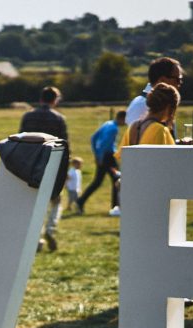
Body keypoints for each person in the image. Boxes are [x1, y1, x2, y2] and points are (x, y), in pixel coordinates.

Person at [112, 83, 180, 218]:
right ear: (168, 108)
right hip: (153, 198)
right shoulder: (160, 130)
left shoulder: (133, 127)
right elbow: (166, 167)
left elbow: (122, 158)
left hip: (132, 195)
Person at [20, 85, 69, 252]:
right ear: (55, 100)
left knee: (34, 204)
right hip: (52, 164)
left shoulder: (28, 116)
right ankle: (50, 229)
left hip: (31, 165)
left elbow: (21, 140)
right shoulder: (58, 118)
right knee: (56, 201)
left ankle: (37, 239)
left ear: (41, 99)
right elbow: (64, 145)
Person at [77, 110, 125, 214]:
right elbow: (105, 144)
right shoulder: (114, 128)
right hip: (108, 156)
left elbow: (93, 138)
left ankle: (81, 200)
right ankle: (116, 207)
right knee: (117, 180)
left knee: (98, 181)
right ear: (121, 118)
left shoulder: (107, 124)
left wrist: (96, 154)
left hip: (102, 155)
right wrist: (101, 157)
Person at [127, 57, 184, 126]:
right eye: (177, 79)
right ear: (162, 80)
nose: (180, 83)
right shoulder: (140, 105)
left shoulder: (164, 104)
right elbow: (137, 136)